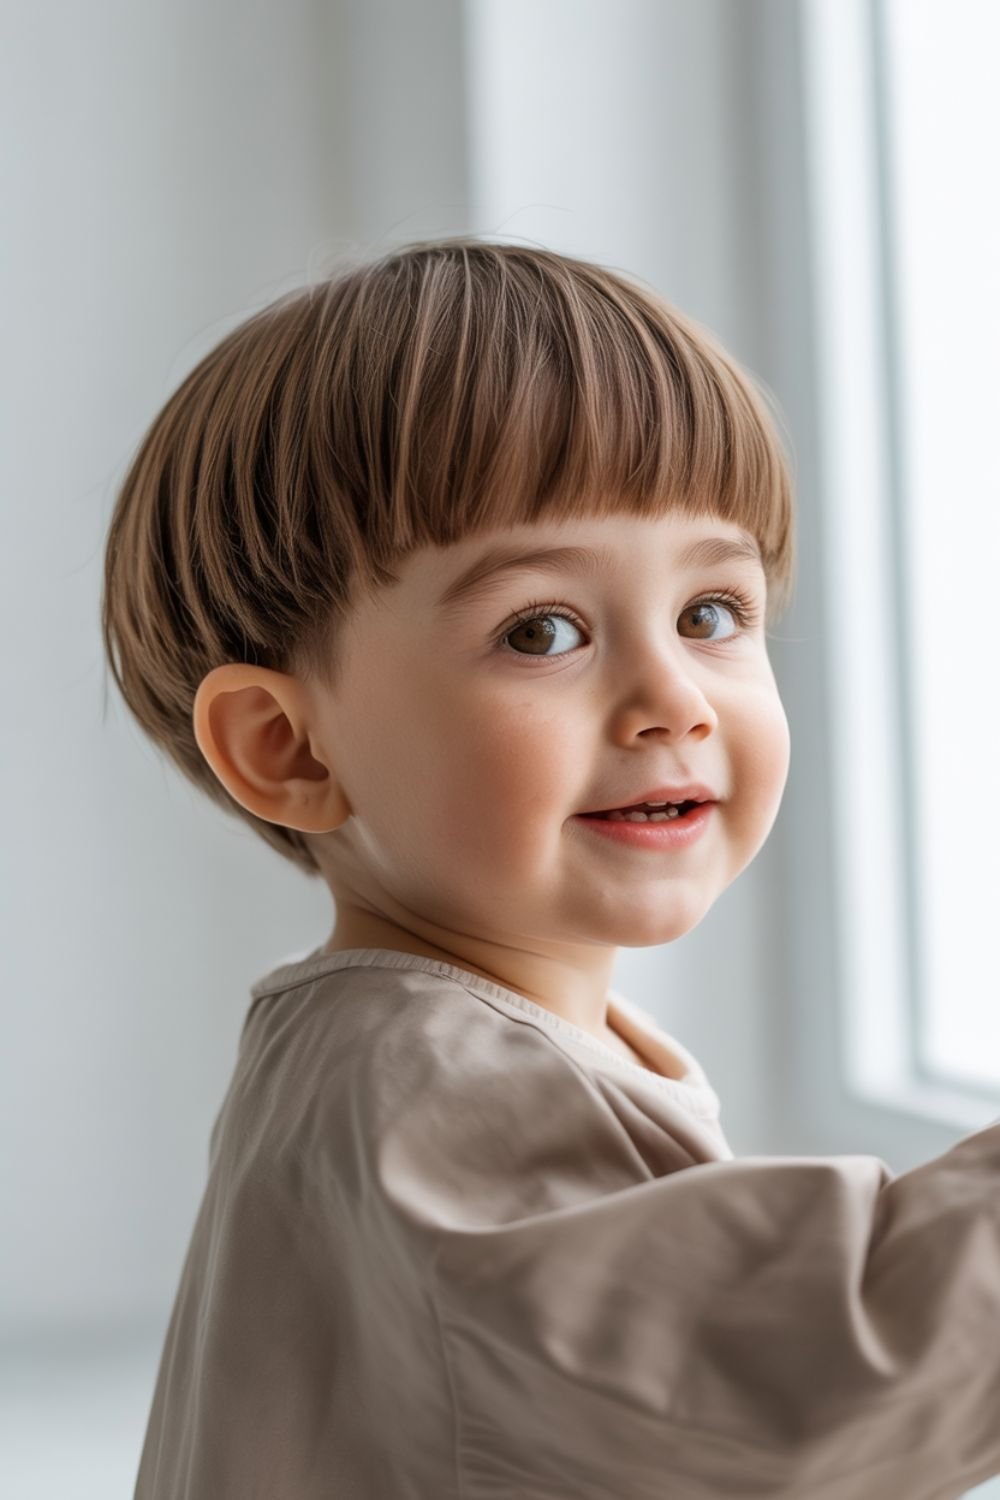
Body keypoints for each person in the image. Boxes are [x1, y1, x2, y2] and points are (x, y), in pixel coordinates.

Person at [102, 239, 1000, 1499]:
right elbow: (806, 1379)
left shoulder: (409, 1047)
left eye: (711, 613)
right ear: (289, 748)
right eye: (544, 631)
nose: (671, 700)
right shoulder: (422, 1084)